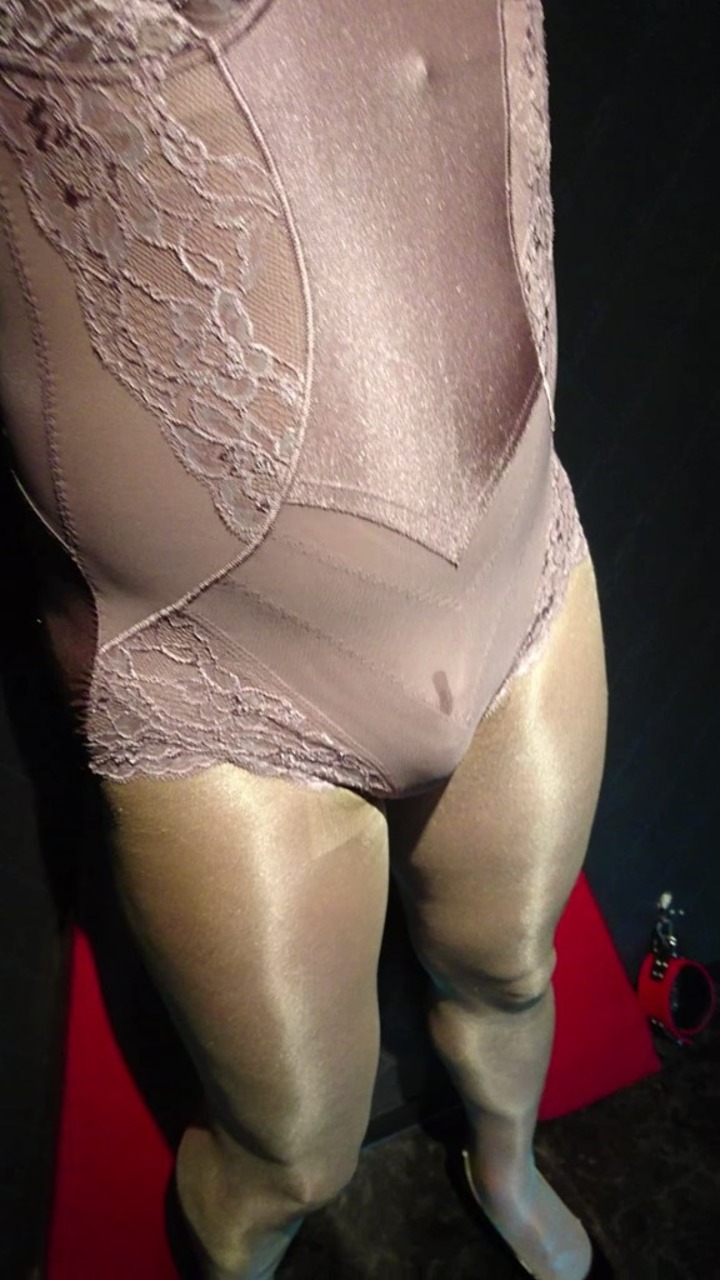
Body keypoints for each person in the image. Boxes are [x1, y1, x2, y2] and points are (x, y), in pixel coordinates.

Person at [0, 2, 611, 1277]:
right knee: (291, 1157)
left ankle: (506, 1165)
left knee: (510, 972)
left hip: (515, 575)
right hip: (214, 684)